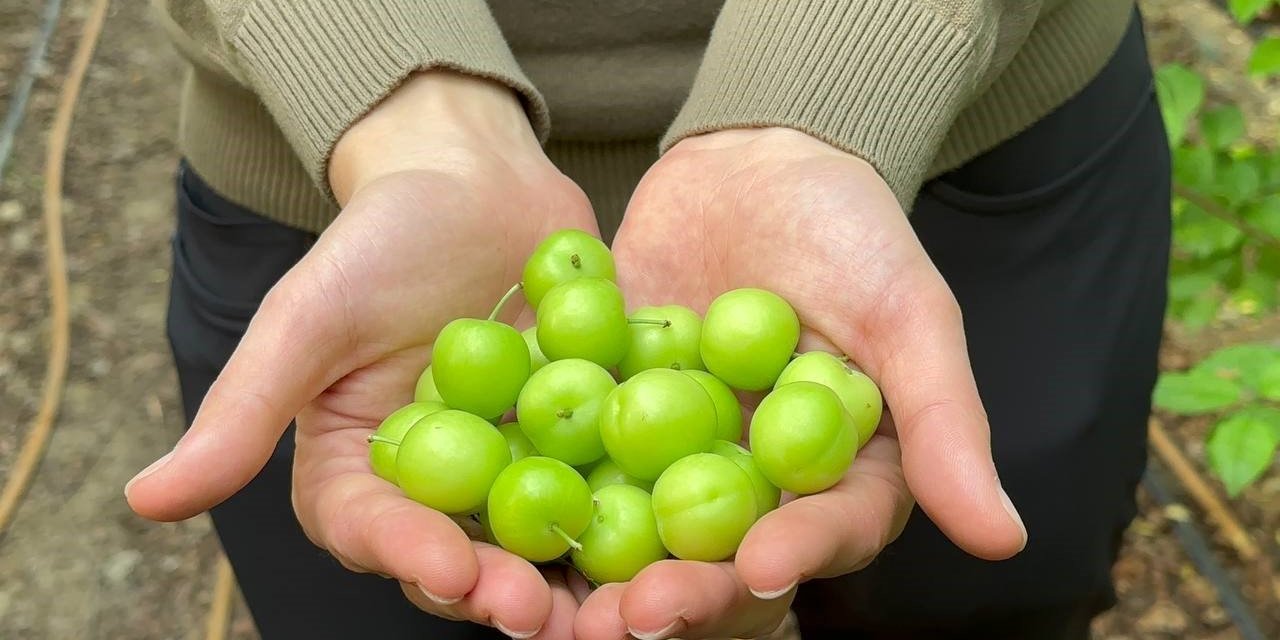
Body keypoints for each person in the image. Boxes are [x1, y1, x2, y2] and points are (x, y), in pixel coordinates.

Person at [127, 1, 1169, 638]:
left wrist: (829, 82)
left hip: (947, 126)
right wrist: (401, 107)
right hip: (341, 180)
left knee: (979, 609)